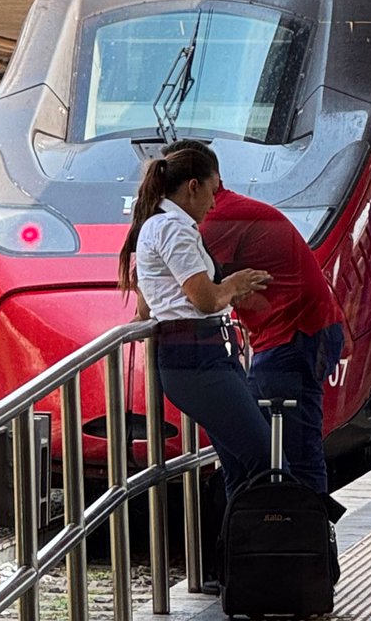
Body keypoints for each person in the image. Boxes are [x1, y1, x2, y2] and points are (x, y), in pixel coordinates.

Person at [156, 140, 346, 497]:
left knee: (292, 452)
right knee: (268, 451)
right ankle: (272, 527)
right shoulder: (216, 214)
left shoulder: (217, 219)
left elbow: (198, 294)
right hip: (297, 332)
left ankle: (307, 528)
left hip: (295, 334)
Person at [117, 144, 274, 498]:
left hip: (200, 357)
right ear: (193, 186)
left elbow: (146, 308)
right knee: (264, 459)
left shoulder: (157, 225)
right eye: (212, 191)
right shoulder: (173, 228)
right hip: (199, 359)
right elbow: (205, 300)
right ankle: (273, 528)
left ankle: (241, 533)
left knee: (240, 466)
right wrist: (235, 284)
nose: (214, 203)